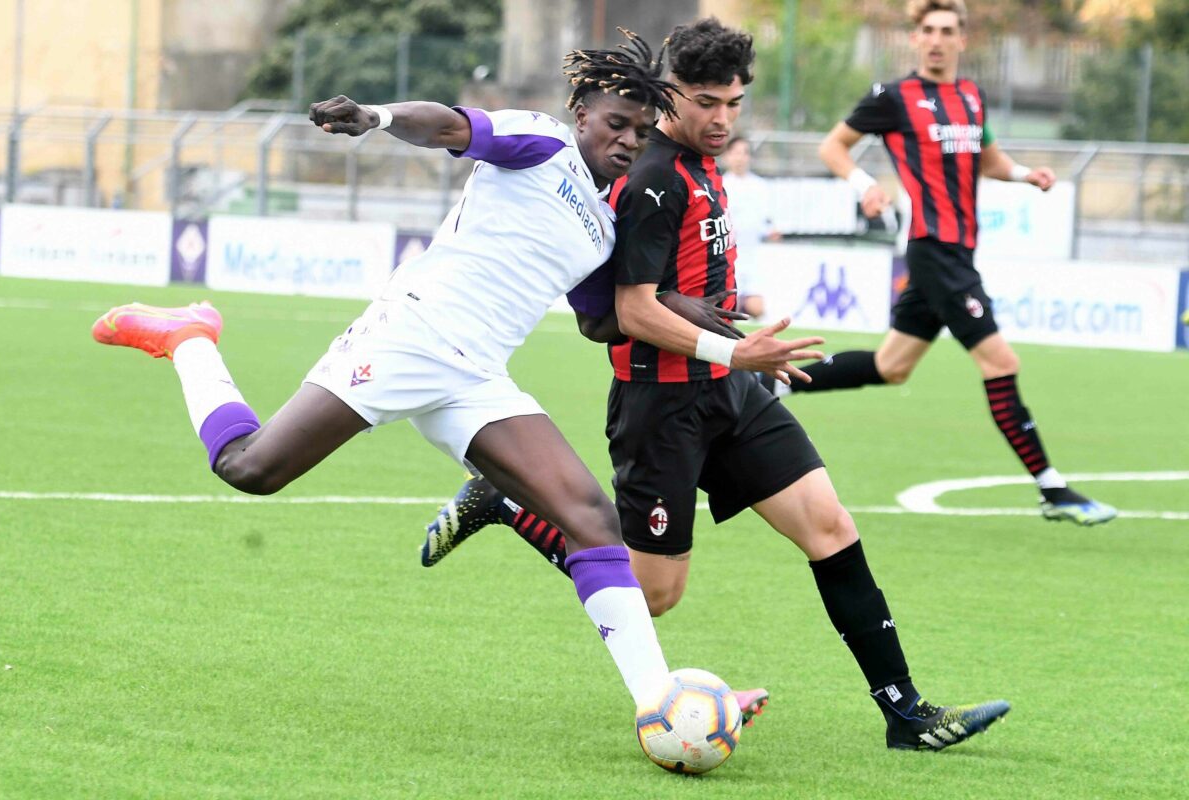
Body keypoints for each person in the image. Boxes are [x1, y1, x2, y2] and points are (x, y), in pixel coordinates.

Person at [89, 33, 751, 721]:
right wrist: (376, 117)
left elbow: (599, 322)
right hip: (414, 335)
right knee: (250, 468)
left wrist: (677, 307)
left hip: (478, 377)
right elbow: (450, 126)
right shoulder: (544, 142)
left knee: (590, 519)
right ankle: (190, 338)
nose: (628, 140)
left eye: (642, 133)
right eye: (618, 124)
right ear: (582, 112)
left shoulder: (607, 226)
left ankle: (660, 702)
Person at [420, 17, 1011, 752]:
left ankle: (907, 715)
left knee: (830, 528)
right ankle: (509, 503)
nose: (723, 118)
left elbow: (682, 285)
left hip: (731, 392)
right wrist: (736, 353)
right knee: (657, 596)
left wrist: (740, 324)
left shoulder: (705, 164)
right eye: (707, 102)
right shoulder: (652, 180)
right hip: (659, 406)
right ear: (671, 95)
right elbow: (631, 309)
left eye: (734, 102)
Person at [809, 0, 1115, 526]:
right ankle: (1052, 488)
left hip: (959, 250)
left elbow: (987, 158)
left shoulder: (972, 96)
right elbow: (833, 147)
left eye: (947, 30)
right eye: (927, 30)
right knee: (1002, 363)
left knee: (891, 366)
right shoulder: (893, 96)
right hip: (933, 249)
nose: (936, 39)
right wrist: (865, 187)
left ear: (962, 40)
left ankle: (774, 383)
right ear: (915, 38)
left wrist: (1024, 175)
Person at [720, 135, 780, 319]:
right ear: (727, 156)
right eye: (735, 153)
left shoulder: (760, 186)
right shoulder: (720, 185)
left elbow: (768, 220)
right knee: (729, 308)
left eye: (744, 153)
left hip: (753, 257)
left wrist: (772, 232)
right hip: (726, 257)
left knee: (757, 309)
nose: (740, 158)